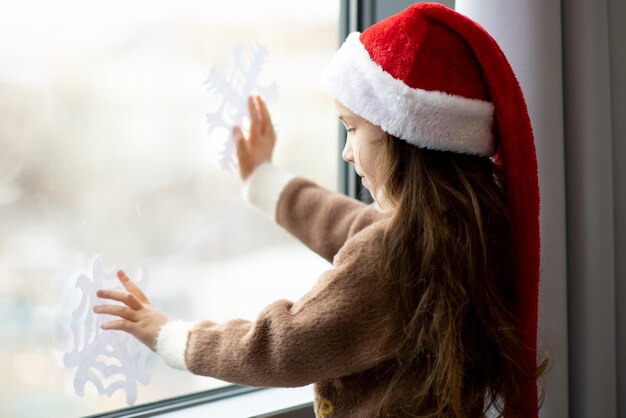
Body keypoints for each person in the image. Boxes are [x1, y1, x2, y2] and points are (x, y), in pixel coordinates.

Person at [94, 3, 546, 417]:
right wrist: (266, 182)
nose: (348, 153)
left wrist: (170, 337)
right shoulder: (470, 225)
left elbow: (279, 348)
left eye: (353, 129)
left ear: (407, 138)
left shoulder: (389, 257)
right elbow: (350, 225)